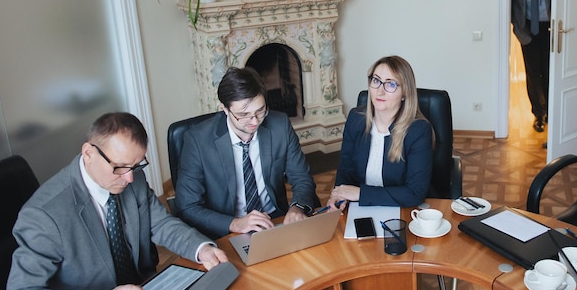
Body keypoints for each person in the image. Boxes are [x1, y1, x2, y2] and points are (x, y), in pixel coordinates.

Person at [4, 112, 228, 290]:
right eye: (120, 167)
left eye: (137, 165)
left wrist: (201, 248)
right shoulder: (45, 215)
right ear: (89, 153)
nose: (130, 178)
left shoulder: (132, 177)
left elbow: (162, 224)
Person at [175, 67, 319, 239]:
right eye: (243, 115)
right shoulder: (198, 140)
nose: (254, 121)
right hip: (227, 229)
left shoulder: (280, 125)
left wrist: (297, 207)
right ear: (225, 109)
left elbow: (301, 177)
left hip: (274, 220)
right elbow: (187, 206)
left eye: (260, 111)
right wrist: (235, 223)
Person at [326, 56, 433, 209]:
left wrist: (360, 194)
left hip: (403, 210)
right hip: (360, 208)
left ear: (405, 93)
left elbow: (414, 193)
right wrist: (339, 195)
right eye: (376, 81)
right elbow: (346, 169)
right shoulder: (355, 119)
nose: (380, 91)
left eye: (391, 84)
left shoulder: (418, 131)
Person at [511, 0, 551, 132]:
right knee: (533, 74)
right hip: (528, 30)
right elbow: (509, 2)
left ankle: (552, 112)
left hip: (551, 28)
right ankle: (539, 115)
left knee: (550, 72)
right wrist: (518, 28)